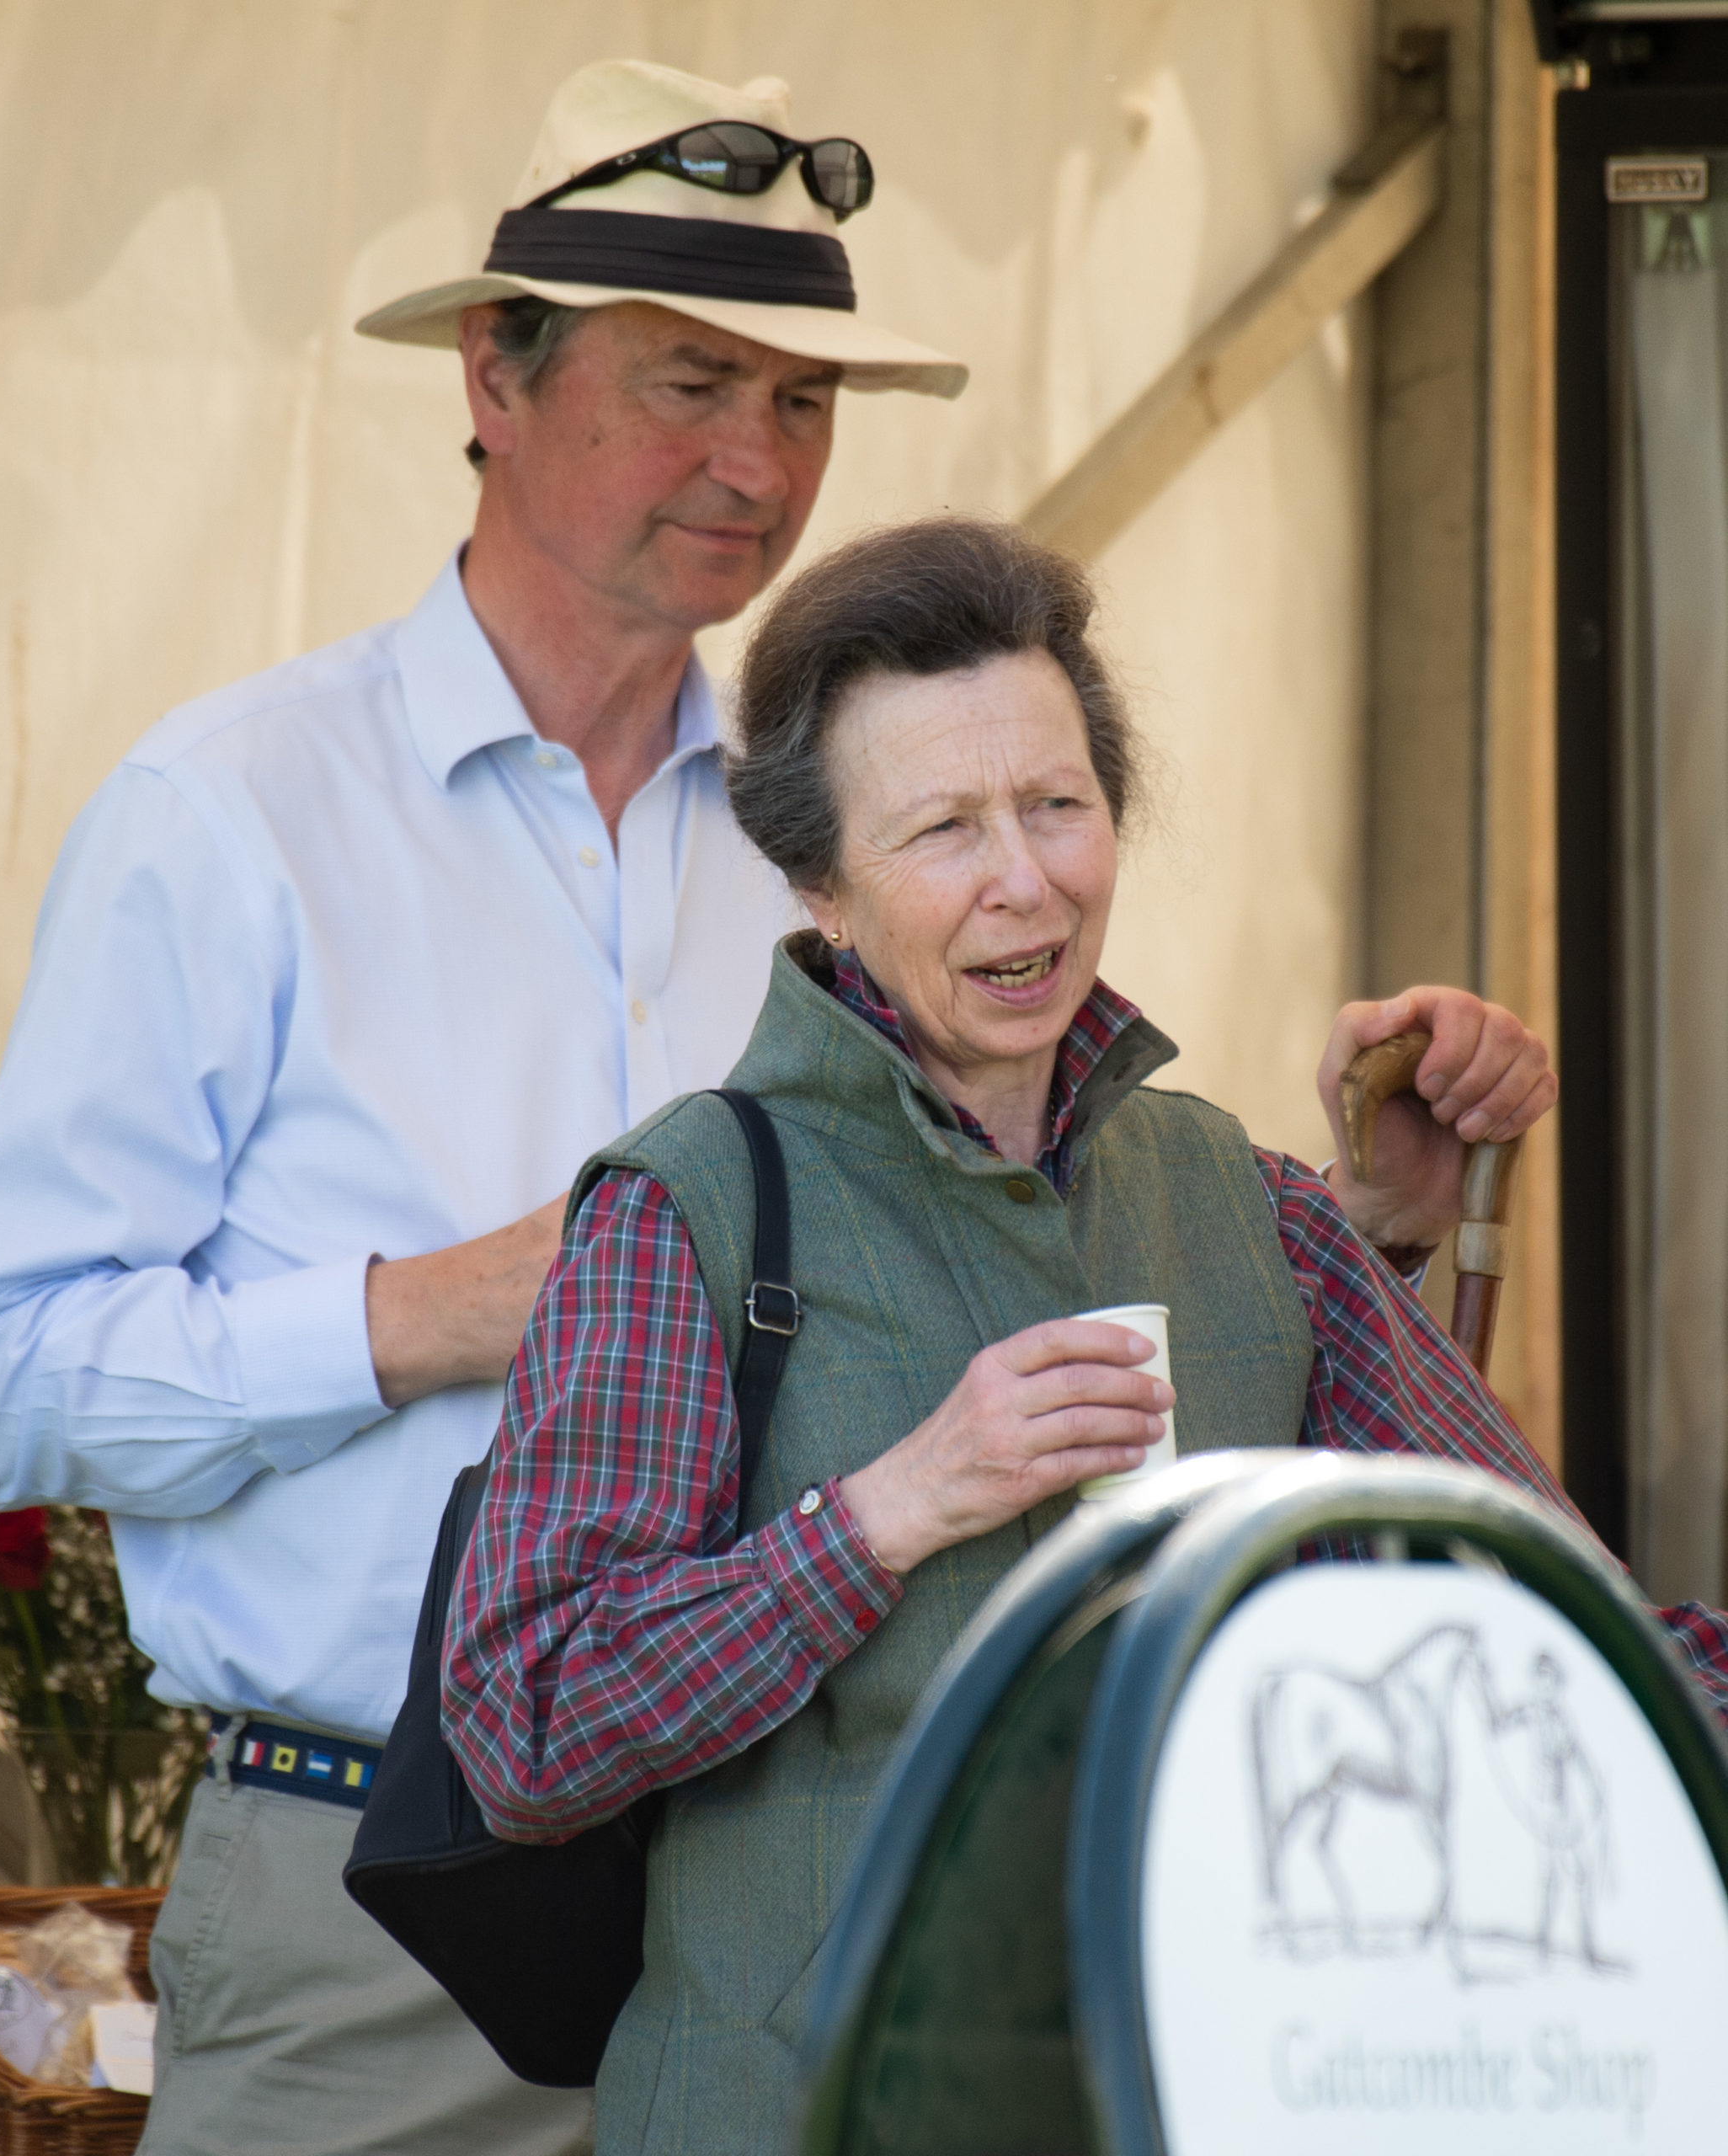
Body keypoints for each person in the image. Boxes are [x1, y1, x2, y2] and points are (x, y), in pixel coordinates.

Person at [0, 54, 1545, 2156]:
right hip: (374, 1902)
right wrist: (431, 1308)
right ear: (490, 376)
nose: (754, 456)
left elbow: (1051, 1279)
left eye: (802, 402)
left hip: (844, 1898)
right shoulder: (231, 810)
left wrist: (1358, 1224)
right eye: (691, 379)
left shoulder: (878, 808)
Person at [442, 516, 1728, 2156]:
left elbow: (1548, 1626)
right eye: (941, 827)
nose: (1022, 878)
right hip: (798, 2117)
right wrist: (891, 1506)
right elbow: (527, 1722)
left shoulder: (1243, 1201)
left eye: (1057, 805)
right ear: (821, 885)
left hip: (1172, 2098)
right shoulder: (689, 1208)